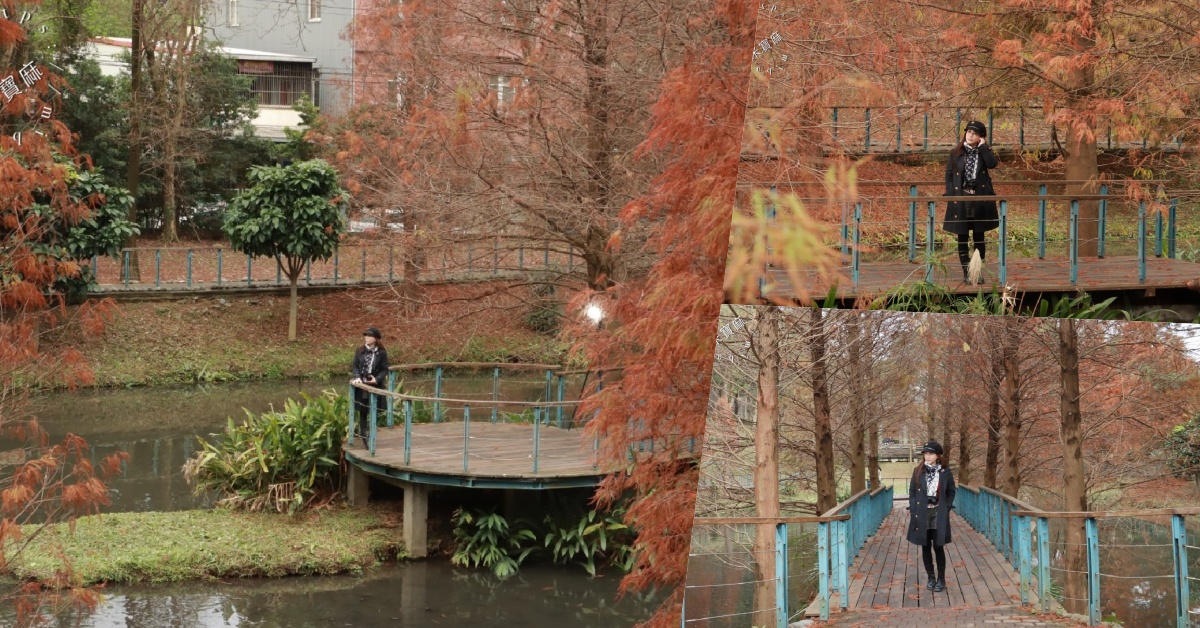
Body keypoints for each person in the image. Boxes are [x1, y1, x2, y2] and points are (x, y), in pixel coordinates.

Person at [943, 120, 999, 284]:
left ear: (981, 137)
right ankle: (967, 273)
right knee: (962, 237)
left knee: (979, 237)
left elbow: (992, 164)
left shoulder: (984, 152)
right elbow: (948, 175)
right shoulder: (956, 152)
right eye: (968, 132)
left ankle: (977, 272)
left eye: (975, 133)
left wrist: (983, 147)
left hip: (979, 200)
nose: (970, 135)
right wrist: (952, 192)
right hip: (961, 200)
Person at [906, 440, 956, 592]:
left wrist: (946, 507)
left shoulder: (945, 472)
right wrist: (914, 507)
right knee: (925, 546)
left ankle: (941, 579)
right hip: (922, 513)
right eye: (925, 454)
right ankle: (931, 578)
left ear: (937, 455)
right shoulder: (918, 471)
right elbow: (912, 491)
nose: (927, 457)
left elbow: (951, 491)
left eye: (930, 454)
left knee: (938, 546)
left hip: (937, 512)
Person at [350, 327, 390, 445]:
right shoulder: (360, 350)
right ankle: (364, 437)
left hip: (375, 385)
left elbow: (384, 369)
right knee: (363, 410)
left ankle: (371, 435)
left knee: (374, 410)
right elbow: (355, 365)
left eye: (369, 336)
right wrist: (357, 377)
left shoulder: (382, 352)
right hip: (362, 385)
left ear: (375, 339)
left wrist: (376, 379)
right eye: (365, 335)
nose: (366, 338)